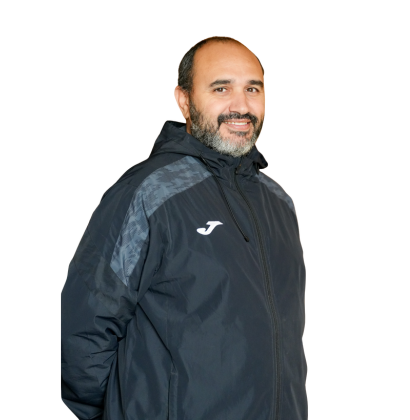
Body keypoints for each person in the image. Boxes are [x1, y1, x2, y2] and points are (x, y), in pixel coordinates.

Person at [61, 36, 307, 420]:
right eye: (221, 88)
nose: (241, 106)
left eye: (253, 89)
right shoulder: (150, 193)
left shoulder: (278, 203)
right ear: (184, 100)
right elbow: (83, 332)